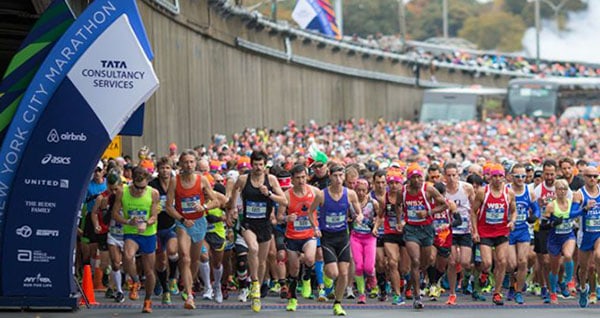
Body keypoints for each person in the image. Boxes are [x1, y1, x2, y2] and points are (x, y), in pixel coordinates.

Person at [228, 150, 287, 312]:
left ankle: (257, 292)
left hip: (265, 224)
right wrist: (233, 208)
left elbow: (284, 200)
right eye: (255, 165)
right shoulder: (243, 179)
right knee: (252, 248)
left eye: (261, 165)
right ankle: (253, 282)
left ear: (265, 165)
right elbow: (234, 191)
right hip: (248, 223)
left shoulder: (271, 180)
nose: (258, 168)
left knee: (262, 261)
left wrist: (269, 194)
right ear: (251, 164)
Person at [165, 150, 220, 310]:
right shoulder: (175, 181)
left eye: (191, 162)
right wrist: (182, 219)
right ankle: (189, 296)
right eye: (185, 162)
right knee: (185, 258)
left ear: (195, 163)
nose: (188, 165)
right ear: (180, 164)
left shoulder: (202, 180)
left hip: (199, 223)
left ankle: (189, 282)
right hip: (183, 224)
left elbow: (215, 201)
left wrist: (203, 206)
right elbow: (168, 206)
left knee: (195, 260)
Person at [308, 164, 364, 316]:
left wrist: (359, 217)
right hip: (327, 237)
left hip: (342, 236)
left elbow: (359, 212)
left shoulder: (350, 194)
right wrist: (315, 227)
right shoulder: (322, 194)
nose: (338, 179)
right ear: (330, 176)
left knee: (344, 273)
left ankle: (338, 304)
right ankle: (327, 276)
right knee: (333, 273)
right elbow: (310, 212)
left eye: (341, 176)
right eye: (335, 176)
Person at [111, 167, 160, 313]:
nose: (139, 191)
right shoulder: (122, 192)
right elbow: (114, 214)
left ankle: (148, 300)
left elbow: (154, 216)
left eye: (143, 188)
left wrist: (146, 223)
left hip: (148, 233)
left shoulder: (153, 193)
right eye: (137, 188)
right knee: (127, 256)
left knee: (149, 270)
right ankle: (136, 281)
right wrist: (127, 221)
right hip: (131, 232)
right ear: (132, 182)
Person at [399, 164, 448, 309]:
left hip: (426, 229)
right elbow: (397, 205)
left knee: (426, 262)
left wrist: (428, 213)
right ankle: (417, 296)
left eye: (419, 177)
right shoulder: (403, 191)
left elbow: (444, 205)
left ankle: (416, 279)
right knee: (414, 260)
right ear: (409, 179)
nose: (417, 180)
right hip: (411, 229)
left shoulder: (428, 189)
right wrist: (398, 220)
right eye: (414, 177)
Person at [471, 163, 516, 306]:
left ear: (504, 177)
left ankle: (497, 292)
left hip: (502, 231)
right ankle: (484, 274)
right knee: (487, 263)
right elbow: (473, 211)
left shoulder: (509, 193)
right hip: (485, 231)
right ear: (490, 177)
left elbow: (514, 211)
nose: (497, 179)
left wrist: (512, 221)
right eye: (494, 176)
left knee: (502, 261)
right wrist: (475, 231)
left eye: (500, 176)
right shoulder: (482, 192)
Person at [277, 164, 320, 311]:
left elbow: (325, 206)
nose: (301, 181)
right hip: (292, 236)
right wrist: (287, 218)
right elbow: (279, 217)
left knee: (309, 258)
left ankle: (307, 278)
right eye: (298, 178)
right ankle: (293, 299)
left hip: (309, 234)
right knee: (294, 269)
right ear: (292, 180)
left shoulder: (314, 192)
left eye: (303, 177)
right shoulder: (287, 195)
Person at [507, 163, 540, 304]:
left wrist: (534, 217)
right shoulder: (506, 190)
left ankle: (519, 291)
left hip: (523, 230)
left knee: (522, 261)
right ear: (511, 177)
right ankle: (511, 285)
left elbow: (537, 210)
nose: (520, 179)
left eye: (523, 176)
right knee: (511, 263)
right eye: (517, 176)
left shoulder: (529, 192)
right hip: (508, 231)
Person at [444, 162, 476, 304]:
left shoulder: (467, 188)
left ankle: (467, 278)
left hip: (465, 230)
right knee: (452, 261)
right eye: (449, 175)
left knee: (465, 262)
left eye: (454, 175)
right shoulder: (441, 190)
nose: (451, 178)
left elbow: (475, 209)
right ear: (445, 176)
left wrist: (475, 229)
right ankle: (452, 293)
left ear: (458, 175)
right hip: (449, 230)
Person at [148, 157, 178, 304]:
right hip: (156, 228)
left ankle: (172, 278)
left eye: (167, 168)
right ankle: (165, 289)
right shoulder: (152, 186)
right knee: (161, 262)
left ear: (171, 169)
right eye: (162, 168)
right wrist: (153, 209)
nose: (165, 171)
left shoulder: (176, 183)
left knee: (172, 251)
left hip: (171, 225)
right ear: (157, 170)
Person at [91, 170, 125, 303]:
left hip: (122, 232)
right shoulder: (102, 198)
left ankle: (115, 287)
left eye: (116, 189)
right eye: (111, 189)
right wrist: (96, 224)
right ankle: (110, 281)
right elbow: (94, 213)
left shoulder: (125, 196)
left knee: (117, 262)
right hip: (105, 231)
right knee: (106, 263)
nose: (114, 193)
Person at [541, 179, 576, 305]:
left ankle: (570, 280)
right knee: (554, 268)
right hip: (554, 238)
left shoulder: (571, 203)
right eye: (560, 189)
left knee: (568, 255)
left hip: (568, 236)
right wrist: (553, 223)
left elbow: (577, 214)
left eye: (565, 189)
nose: (562, 191)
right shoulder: (551, 205)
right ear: (555, 191)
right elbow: (542, 224)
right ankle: (553, 292)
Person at [571, 166, 600, 308]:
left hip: (598, 233)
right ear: (584, 177)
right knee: (585, 268)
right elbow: (572, 214)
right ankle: (583, 289)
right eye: (589, 176)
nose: (593, 179)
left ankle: (597, 289)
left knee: (598, 259)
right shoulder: (579, 194)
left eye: (595, 176)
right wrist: (585, 208)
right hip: (585, 234)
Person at [350, 178, 380, 304]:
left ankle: (372, 280)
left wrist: (375, 227)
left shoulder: (373, 203)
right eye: (358, 190)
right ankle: (362, 294)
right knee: (358, 266)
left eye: (363, 190)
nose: (361, 193)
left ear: (367, 190)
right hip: (355, 237)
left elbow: (379, 217)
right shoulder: (350, 202)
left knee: (368, 267)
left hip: (369, 237)